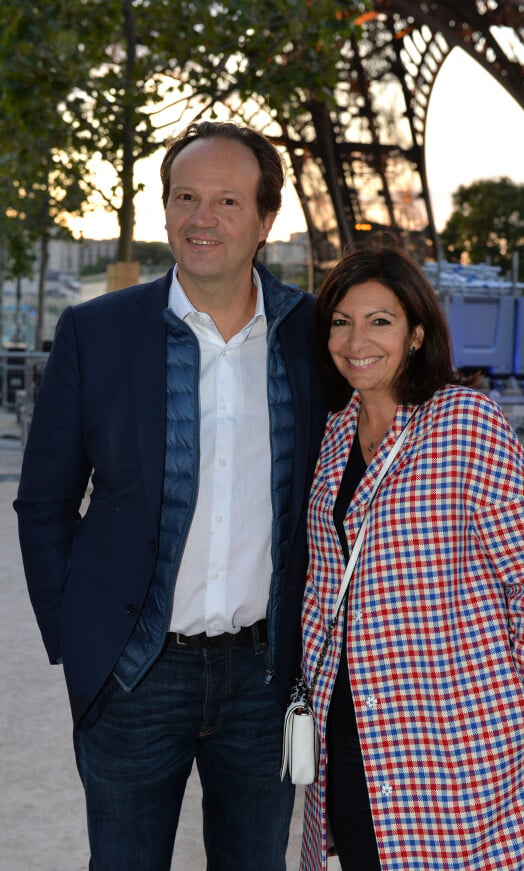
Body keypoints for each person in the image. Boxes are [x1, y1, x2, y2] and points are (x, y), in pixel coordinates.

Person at [14, 120, 327, 871]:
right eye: (185, 197)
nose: (201, 218)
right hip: (134, 672)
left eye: (226, 200)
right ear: (163, 210)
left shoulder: (314, 336)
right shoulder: (96, 331)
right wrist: (81, 640)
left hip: (263, 677)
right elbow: (45, 501)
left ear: (265, 221)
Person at [299, 240, 524, 870]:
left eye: (380, 321)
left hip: (454, 729)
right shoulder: (334, 433)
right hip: (349, 722)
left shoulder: (466, 422)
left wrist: (523, 704)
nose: (355, 340)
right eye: (341, 321)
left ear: (417, 333)